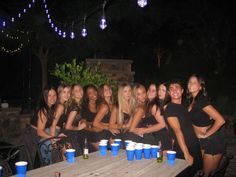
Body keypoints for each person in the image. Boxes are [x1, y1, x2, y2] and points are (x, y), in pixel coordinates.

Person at [187, 74, 225, 176]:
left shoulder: (201, 100)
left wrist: (206, 134)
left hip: (212, 141)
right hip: (202, 141)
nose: (191, 84)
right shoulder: (192, 101)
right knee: (201, 171)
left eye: (194, 82)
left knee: (207, 174)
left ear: (200, 86)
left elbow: (220, 120)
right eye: (189, 82)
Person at [164, 80, 202, 177]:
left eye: (177, 87)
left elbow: (191, 124)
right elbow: (178, 132)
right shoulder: (170, 108)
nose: (174, 90)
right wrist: (186, 154)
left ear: (182, 91)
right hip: (183, 149)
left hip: (195, 146)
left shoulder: (184, 106)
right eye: (171, 88)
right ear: (169, 93)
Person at [64, 84, 87, 155]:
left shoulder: (76, 105)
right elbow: (67, 126)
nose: (79, 92)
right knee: (79, 158)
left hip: (73, 135)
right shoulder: (75, 107)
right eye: (76, 91)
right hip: (71, 136)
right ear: (73, 94)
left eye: (80, 89)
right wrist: (78, 128)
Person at [93, 84, 114, 150]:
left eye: (109, 88)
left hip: (109, 132)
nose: (108, 90)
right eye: (105, 90)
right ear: (101, 93)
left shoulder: (112, 103)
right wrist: (109, 128)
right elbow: (95, 123)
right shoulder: (104, 106)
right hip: (102, 133)